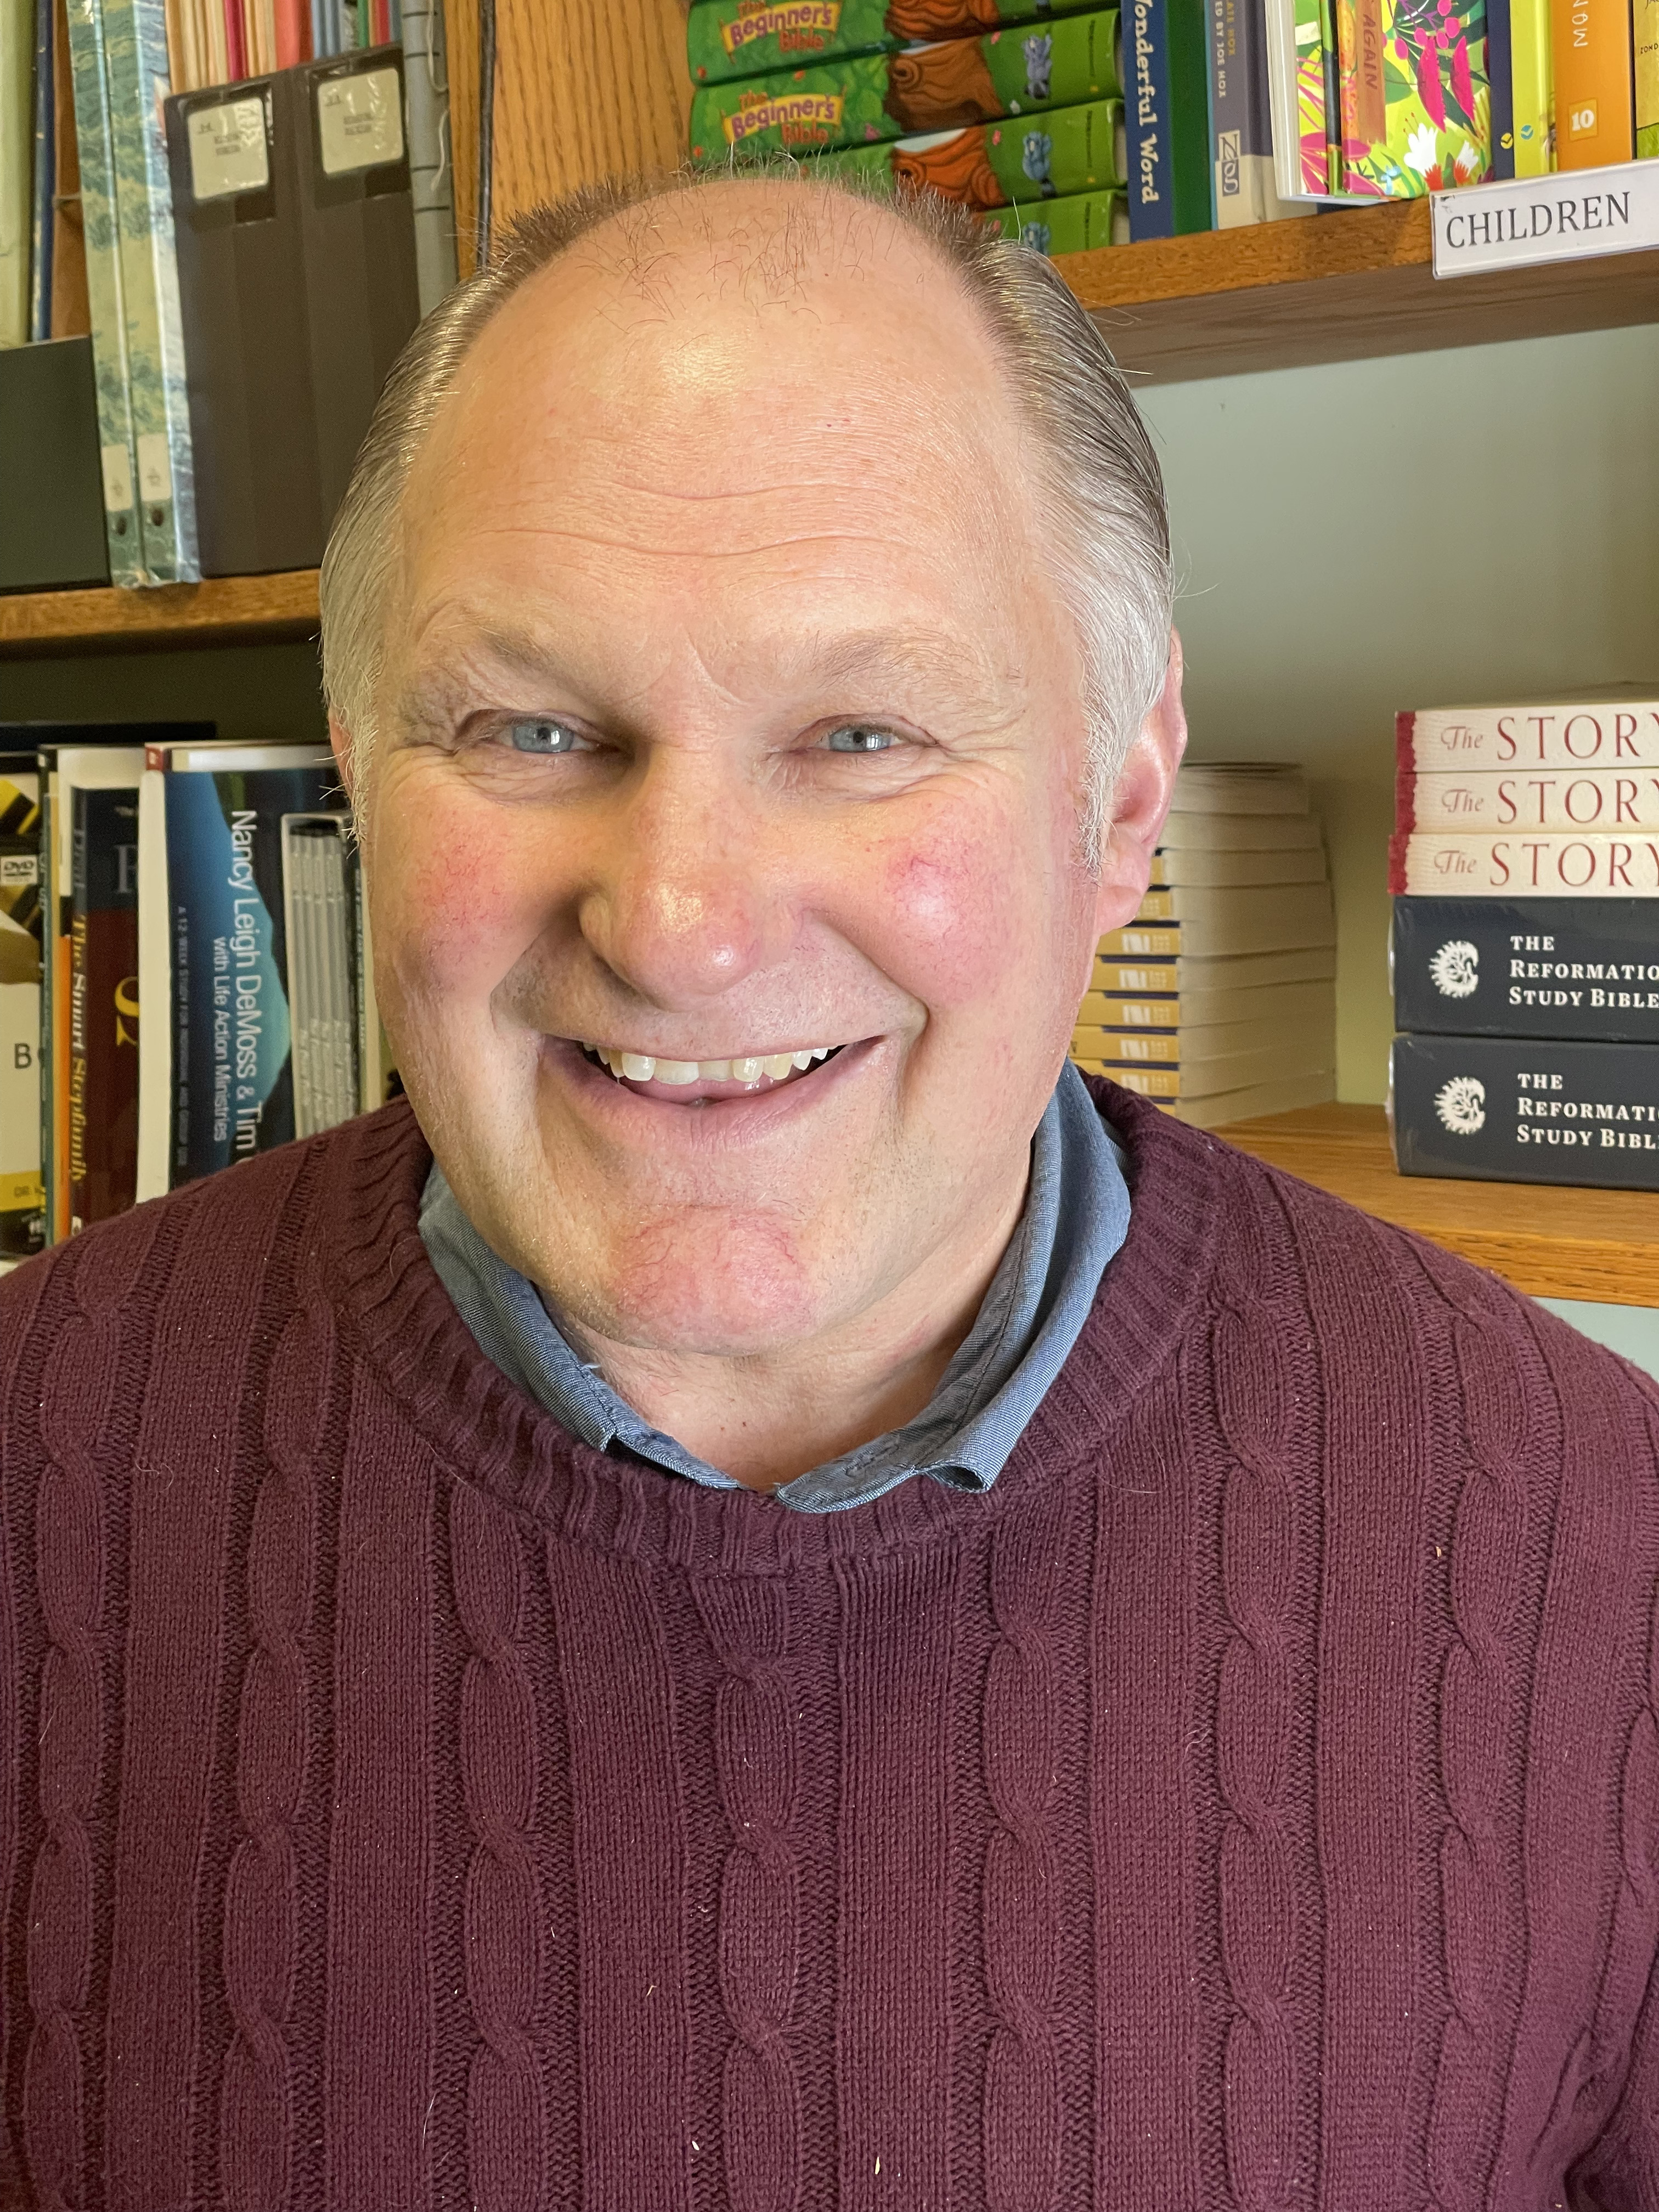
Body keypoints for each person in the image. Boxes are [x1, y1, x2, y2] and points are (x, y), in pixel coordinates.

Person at [1, 170, 1655, 2210]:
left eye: (862, 732)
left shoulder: (1597, 1541)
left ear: (1120, 801)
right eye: (533, 728)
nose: (683, 927)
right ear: (358, 765)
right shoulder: (30, 1470)